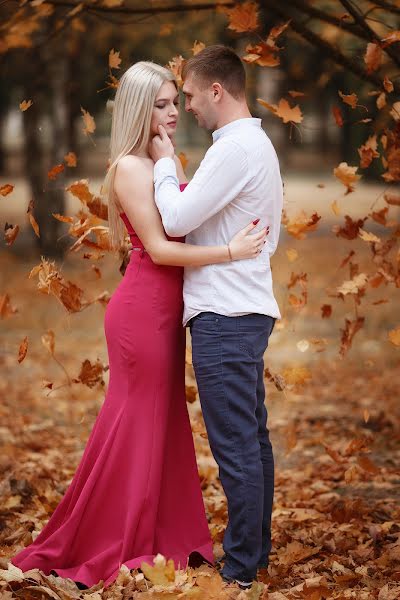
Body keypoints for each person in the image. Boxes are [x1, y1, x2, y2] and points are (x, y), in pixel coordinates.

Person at [10, 61, 267, 589]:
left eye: (176, 103)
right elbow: (157, 247)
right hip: (143, 315)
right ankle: (114, 537)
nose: (174, 113)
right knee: (136, 425)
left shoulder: (161, 160)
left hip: (169, 312)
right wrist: (230, 251)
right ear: (137, 108)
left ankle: (161, 537)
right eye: (161, 105)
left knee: (163, 426)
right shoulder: (130, 166)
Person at [149, 45, 283, 590]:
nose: (186, 108)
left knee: (236, 448)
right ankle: (257, 553)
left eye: (189, 96)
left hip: (225, 314)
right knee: (252, 441)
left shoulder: (234, 149)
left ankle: (242, 569)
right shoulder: (256, 145)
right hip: (243, 308)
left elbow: (177, 214)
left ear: (216, 91)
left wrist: (163, 165)